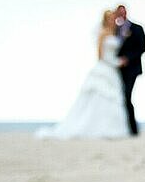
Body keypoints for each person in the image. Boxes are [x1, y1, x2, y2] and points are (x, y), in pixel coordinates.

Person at [36, 11, 129, 139]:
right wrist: (117, 62)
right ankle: (95, 128)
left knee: (112, 100)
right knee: (99, 98)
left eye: (113, 18)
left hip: (112, 72)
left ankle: (111, 128)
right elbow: (100, 56)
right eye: (110, 18)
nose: (112, 20)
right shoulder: (103, 34)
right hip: (105, 68)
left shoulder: (116, 33)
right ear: (105, 19)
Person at [115, 5, 145, 136]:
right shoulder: (113, 30)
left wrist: (127, 58)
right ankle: (124, 128)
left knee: (127, 96)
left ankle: (133, 129)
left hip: (132, 69)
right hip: (116, 71)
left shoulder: (137, 28)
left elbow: (142, 47)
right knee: (119, 98)